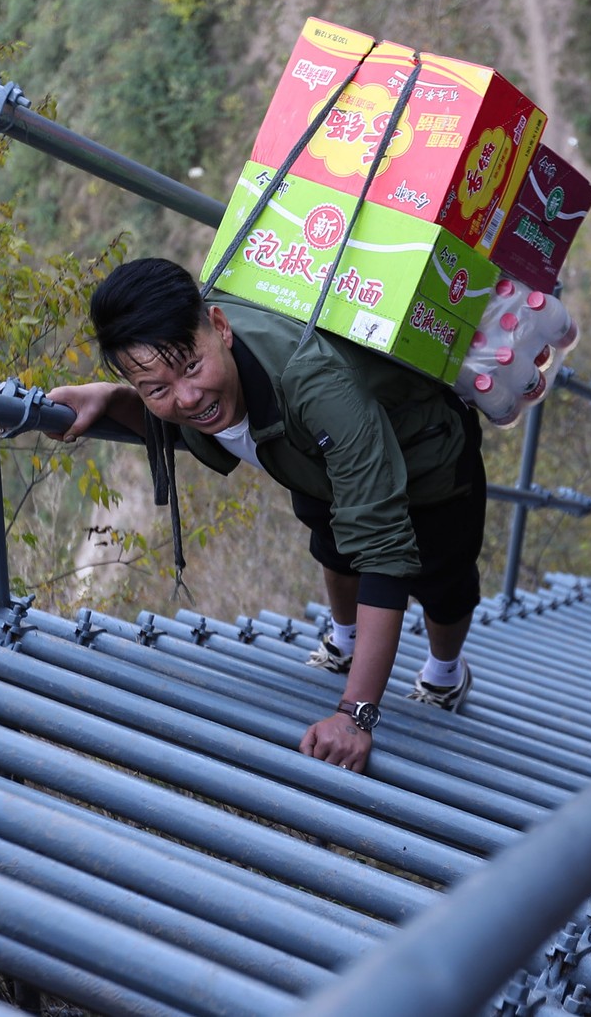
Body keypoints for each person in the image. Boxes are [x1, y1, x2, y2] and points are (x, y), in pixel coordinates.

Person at [42, 257, 487, 773]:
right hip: (314, 460)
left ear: (221, 327)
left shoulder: (315, 385)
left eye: (192, 367)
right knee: (331, 544)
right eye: (156, 388)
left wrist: (355, 716)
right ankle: (344, 642)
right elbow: (182, 415)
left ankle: (444, 676)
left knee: (443, 584)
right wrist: (109, 398)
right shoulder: (200, 370)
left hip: (429, 463)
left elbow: (383, 549)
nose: (188, 397)